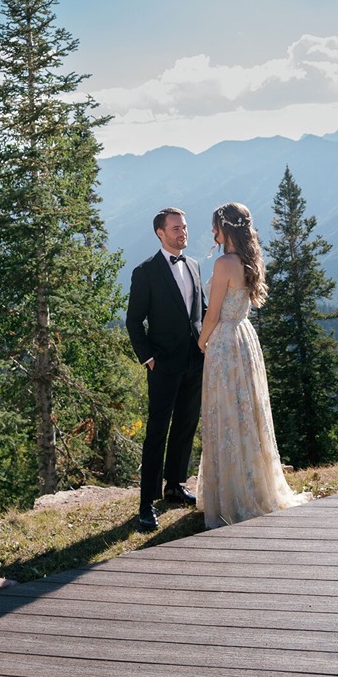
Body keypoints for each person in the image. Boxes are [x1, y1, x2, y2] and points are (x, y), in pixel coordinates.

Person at [197, 201, 311, 528]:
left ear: (225, 227)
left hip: (225, 341)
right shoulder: (249, 261)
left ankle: (231, 495)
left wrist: (202, 341)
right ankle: (252, 482)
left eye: (214, 226)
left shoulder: (223, 264)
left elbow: (213, 312)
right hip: (245, 338)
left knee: (226, 412)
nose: (211, 232)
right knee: (247, 413)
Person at [126, 207, 206, 531]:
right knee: (157, 433)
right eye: (175, 228)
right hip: (162, 364)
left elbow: (199, 310)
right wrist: (148, 358)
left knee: (186, 425)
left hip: (195, 360)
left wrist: (206, 344)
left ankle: (174, 486)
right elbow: (134, 321)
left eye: (184, 227)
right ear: (160, 232)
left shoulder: (196, 265)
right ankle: (146, 503)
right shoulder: (145, 271)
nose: (182, 232)